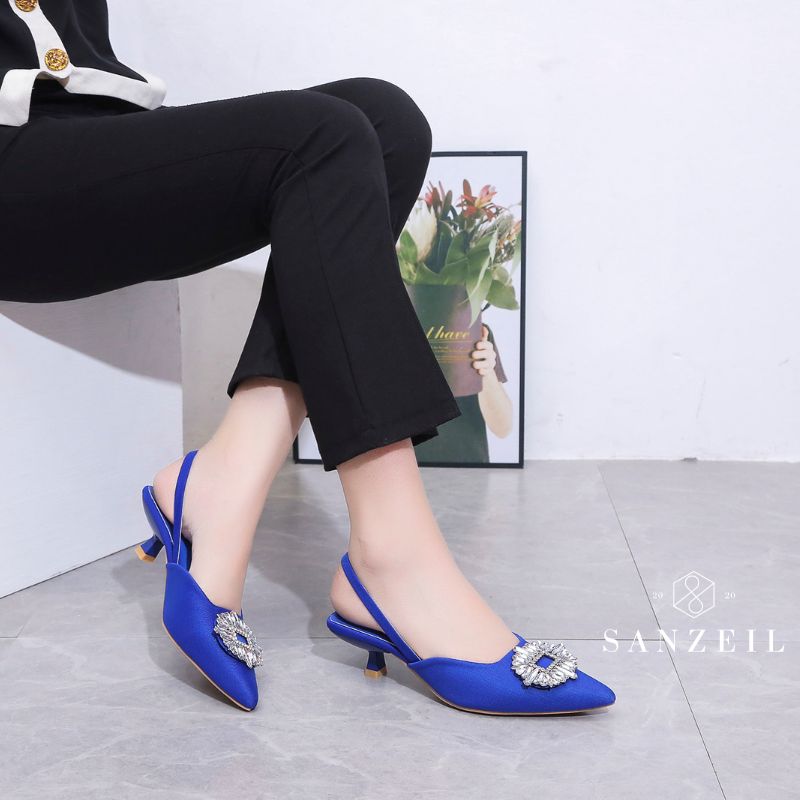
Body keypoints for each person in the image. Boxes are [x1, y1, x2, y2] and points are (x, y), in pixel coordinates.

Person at [0, 0, 615, 714]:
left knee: (385, 121)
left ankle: (229, 475)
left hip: (91, 130)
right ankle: (394, 559)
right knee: (319, 136)